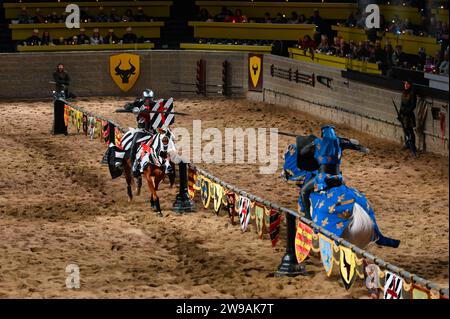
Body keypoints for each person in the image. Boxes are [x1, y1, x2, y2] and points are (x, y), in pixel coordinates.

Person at [299, 125, 369, 219]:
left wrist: (310, 144)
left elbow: (303, 152)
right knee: (345, 189)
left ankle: (307, 217)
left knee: (304, 191)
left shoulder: (317, 142)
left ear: (322, 134)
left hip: (322, 177)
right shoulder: (340, 141)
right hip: (338, 177)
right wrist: (363, 149)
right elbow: (356, 146)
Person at [130, 89, 156, 176]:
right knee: (134, 145)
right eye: (146, 98)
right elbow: (128, 106)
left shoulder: (156, 105)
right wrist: (133, 108)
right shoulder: (139, 104)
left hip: (154, 130)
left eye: (150, 98)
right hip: (142, 130)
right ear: (143, 98)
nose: (148, 100)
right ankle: (134, 165)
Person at [398, 81, 417, 155]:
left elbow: (413, 105)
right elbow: (401, 104)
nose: (405, 85)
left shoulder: (412, 94)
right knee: (405, 129)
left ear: (410, 85)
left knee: (410, 131)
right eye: (405, 84)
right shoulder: (403, 93)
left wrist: (407, 111)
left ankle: (413, 147)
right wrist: (400, 114)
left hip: (408, 115)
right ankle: (407, 144)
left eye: (407, 84)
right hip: (403, 114)